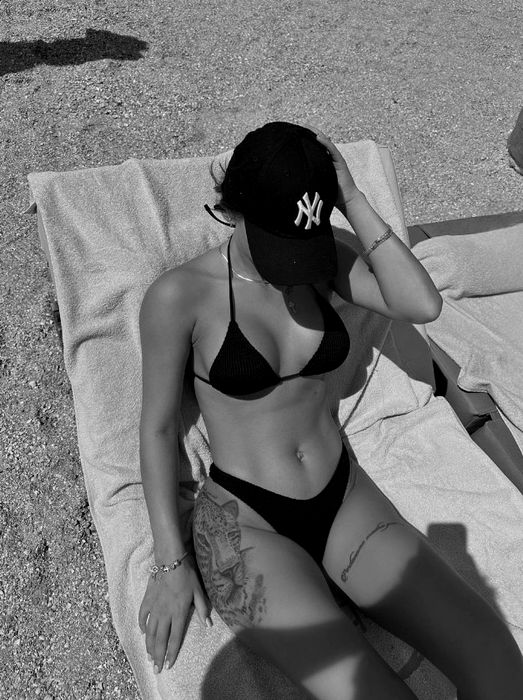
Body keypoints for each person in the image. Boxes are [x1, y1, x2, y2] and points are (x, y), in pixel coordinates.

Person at [137, 121, 523, 699]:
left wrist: (352, 198)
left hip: (344, 497)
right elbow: (158, 428)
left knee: (498, 665)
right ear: (234, 208)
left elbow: (421, 303)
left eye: (304, 243)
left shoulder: (323, 258)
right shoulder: (180, 296)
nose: (292, 266)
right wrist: (170, 561)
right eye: (278, 243)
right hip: (244, 523)